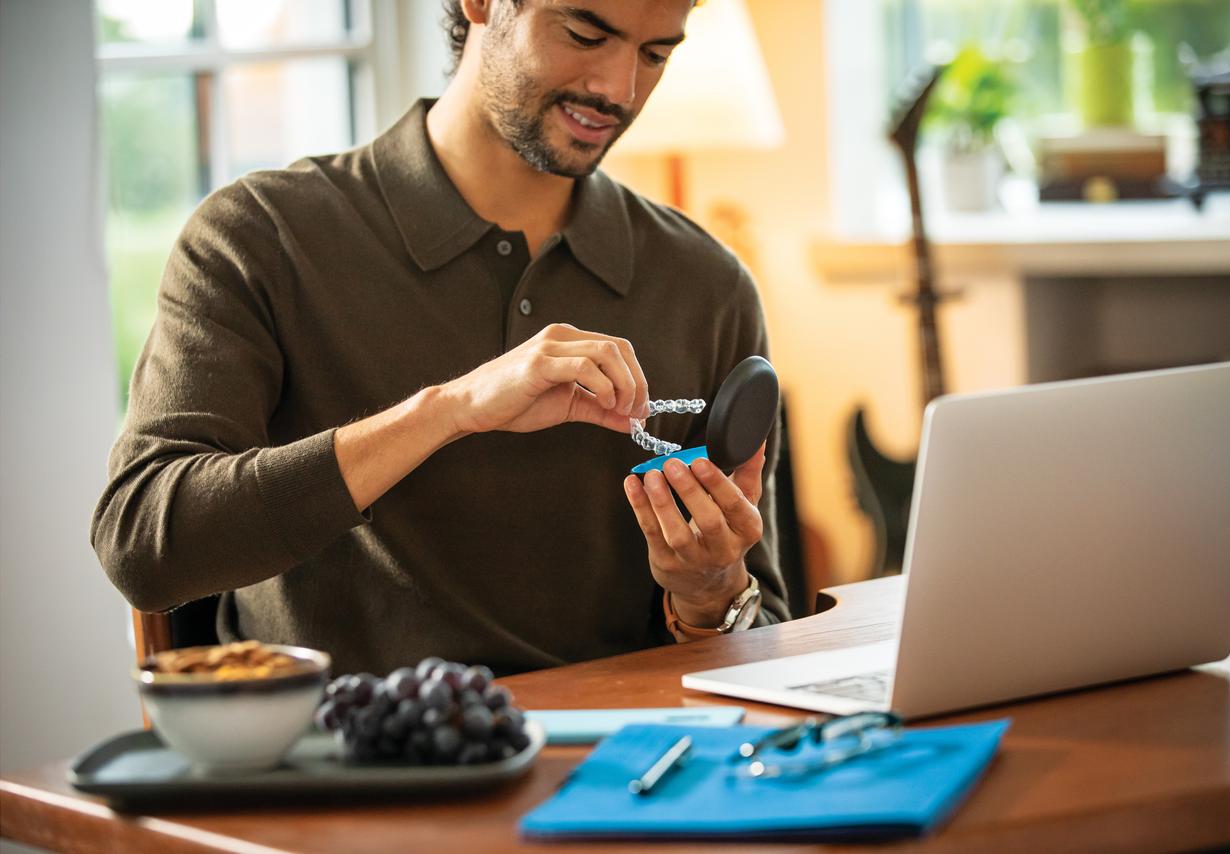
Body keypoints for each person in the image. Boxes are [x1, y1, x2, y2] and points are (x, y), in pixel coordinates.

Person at [91, 0, 789, 677]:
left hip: (623, 769)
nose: (619, 88)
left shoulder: (709, 287)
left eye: (655, 52)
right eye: (583, 33)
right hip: (349, 771)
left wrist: (708, 595)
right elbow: (143, 544)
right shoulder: (259, 236)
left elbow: (760, 638)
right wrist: (448, 411)